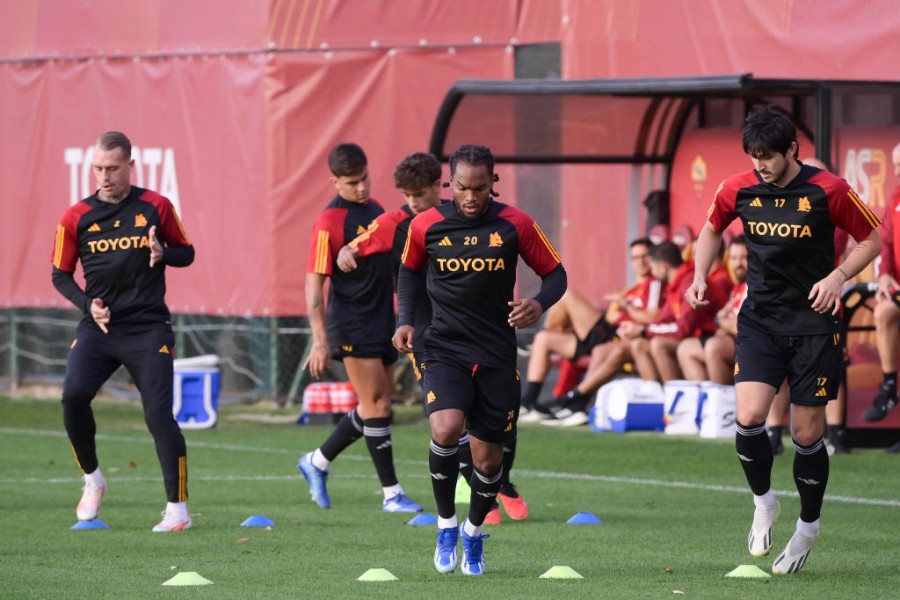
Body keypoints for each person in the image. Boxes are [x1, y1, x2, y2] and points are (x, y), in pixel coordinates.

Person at [685, 106, 881, 575]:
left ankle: (807, 529)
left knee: (807, 435)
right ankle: (764, 502)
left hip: (815, 323)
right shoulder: (736, 188)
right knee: (750, 417)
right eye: (753, 156)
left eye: (768, 156)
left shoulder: (828, 189)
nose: (761, 165)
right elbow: (711, 230)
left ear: (793, 149)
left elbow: (873, 238)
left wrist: (839, 277)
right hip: (761, 320)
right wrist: (698, 274)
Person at [393, 144, 566, 575]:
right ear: (448, 184)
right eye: (462, 188)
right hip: (444, 347)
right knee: (446, 426)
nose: (471, 197)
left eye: (480, 188)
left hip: (495, 353)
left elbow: (556, 274)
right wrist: (405, 321)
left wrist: (538, 304)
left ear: (493, 182)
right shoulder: (425, 225)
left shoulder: (515, 224)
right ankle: (447, 525)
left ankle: (472, 534)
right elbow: (410, 272)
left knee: (490, 462)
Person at [51, 131, 195, 532]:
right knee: (73, 396)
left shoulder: (156, 206)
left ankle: (177, 509)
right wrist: (87, 304)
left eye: (112, 168)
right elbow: (59, 275)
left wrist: (164, 253)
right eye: (98, 168)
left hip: (148, 328)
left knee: (158, 415)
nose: (104, 176)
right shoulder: (75, 217)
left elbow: (188, 252)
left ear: (131, 166)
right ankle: (93, 479)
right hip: (99, 327)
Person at [297, 143, 422, 513]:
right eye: (352, 183)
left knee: (377, 405)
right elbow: (313, 288)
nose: (362, 188)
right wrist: (320, 343)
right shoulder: (327, 223)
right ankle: (392, 494)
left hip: (383, 319)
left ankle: (317, 461)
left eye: (365, 178)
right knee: (378, 404)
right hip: (351, 323)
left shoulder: (377, 211)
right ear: (335, 181)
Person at [519, 238, 662, 422]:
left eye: (644, 256)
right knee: (544, 339)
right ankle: (527, 403)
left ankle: (543, 333)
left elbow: (652, 317)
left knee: (567, 295)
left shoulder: (654, 284)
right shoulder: (631, 289)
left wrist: (625, 306)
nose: (640, 261)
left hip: (614, 338)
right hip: (603, 336)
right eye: (635, 257)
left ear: (652, 258)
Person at [620, 241, 728, 383]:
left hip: (711, 337)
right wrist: (636, 329)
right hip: (691, 337)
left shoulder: (690, 283)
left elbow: (684, 328)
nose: (652, 272)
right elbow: (662, 320)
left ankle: (676, 398)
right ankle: (658, 396)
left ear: (663, 267)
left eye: (653, 267)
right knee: (639, 344)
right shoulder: (675, 284)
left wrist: (643, 330)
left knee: (659, 344)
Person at [862, 142, 900, 438]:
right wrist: (885, 274)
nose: (896, 172)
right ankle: (889, 387)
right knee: (885, 311)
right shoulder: (896, 198)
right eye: (895, 166)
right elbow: (886, 242)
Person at [677, 235, 748, 383]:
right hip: (730, 340)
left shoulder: (754, 286)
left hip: (750, 343)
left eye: (743, 258)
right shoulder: (737, 286)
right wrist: (722, 322)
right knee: (685, 349)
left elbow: (739, 325)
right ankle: (705, 401)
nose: (738, 263)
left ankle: (722, 402)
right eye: (734, 258)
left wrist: (721, 322)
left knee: (714, 347)